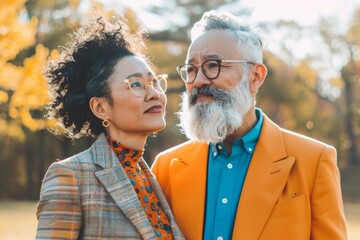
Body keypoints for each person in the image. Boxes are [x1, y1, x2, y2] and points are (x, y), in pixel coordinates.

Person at [151, 10, 347, 240]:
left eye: (213, 65)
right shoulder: (165, 167)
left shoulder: (314, 161)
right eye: (191, 69)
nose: (198, 80)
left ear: (255, 76)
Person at [36, 14, 184, 240]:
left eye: (154, 82)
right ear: (101, 107)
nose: (154, 93)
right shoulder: (70, 176)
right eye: (136, 84)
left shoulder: (151, 179)